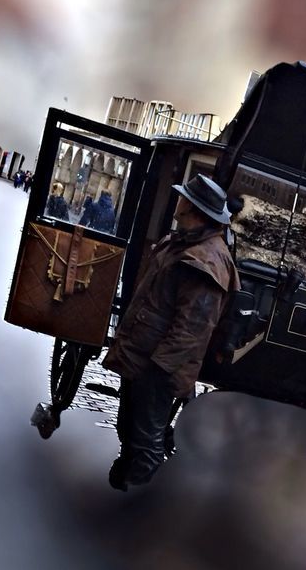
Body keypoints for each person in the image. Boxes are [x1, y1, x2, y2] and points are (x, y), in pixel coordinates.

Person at [102, 174, 240, 490]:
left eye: (182, 196)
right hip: (142, 358)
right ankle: (128, 484)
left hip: (158, 368)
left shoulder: (206, 259)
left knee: (147, 442)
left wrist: (157, 369)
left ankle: (141, 509)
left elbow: (192, 328)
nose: (177, 199)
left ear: (192, 206)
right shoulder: (184, 243)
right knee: (131, 429)